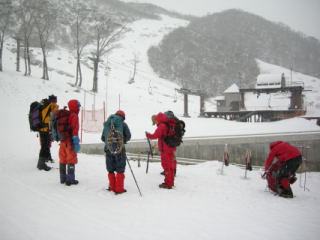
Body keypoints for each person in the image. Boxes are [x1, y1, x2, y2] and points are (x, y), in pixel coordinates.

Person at [101, 110, 131, 194]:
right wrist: (122, 140)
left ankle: (112, 186)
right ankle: (119, 189)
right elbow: (128, 136)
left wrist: (110, 142)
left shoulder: (107, 124)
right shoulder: (123, 124)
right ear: (123, 117)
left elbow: (103, 138)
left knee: (110, 169)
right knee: (120, 169)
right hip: (119, 150)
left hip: (108, 149)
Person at [146, 112, 176, 189]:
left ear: (157, 119)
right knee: (171, 166)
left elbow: (155, 136)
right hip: (170, 148)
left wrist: (148, 135)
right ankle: (170, 182)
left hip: (165, 149)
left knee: (166, 166)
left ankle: (168, 183)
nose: (155, 123)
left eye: (155, 121)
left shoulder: (162, 126)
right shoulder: (166, 124)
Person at [59, 99, 81, 186]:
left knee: (63, 159)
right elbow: (75, 130)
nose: (79, 108)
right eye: (78, 106)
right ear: (75, 106)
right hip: (70, 141)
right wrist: (76, 142)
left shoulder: (65, 115)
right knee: (71, 159)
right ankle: (70, 180)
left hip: (62, 141)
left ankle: (62, 178)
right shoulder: (74, 116)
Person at [37, 94, 58, 171]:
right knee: (44, 146)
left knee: (45, 145)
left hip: (44, 129)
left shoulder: (47, 106)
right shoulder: (48, 107)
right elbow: (48, 119)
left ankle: (44, 160)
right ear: (52, 101)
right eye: (55, 101)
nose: (56, 103)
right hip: (44, 129)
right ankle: (41, 164)